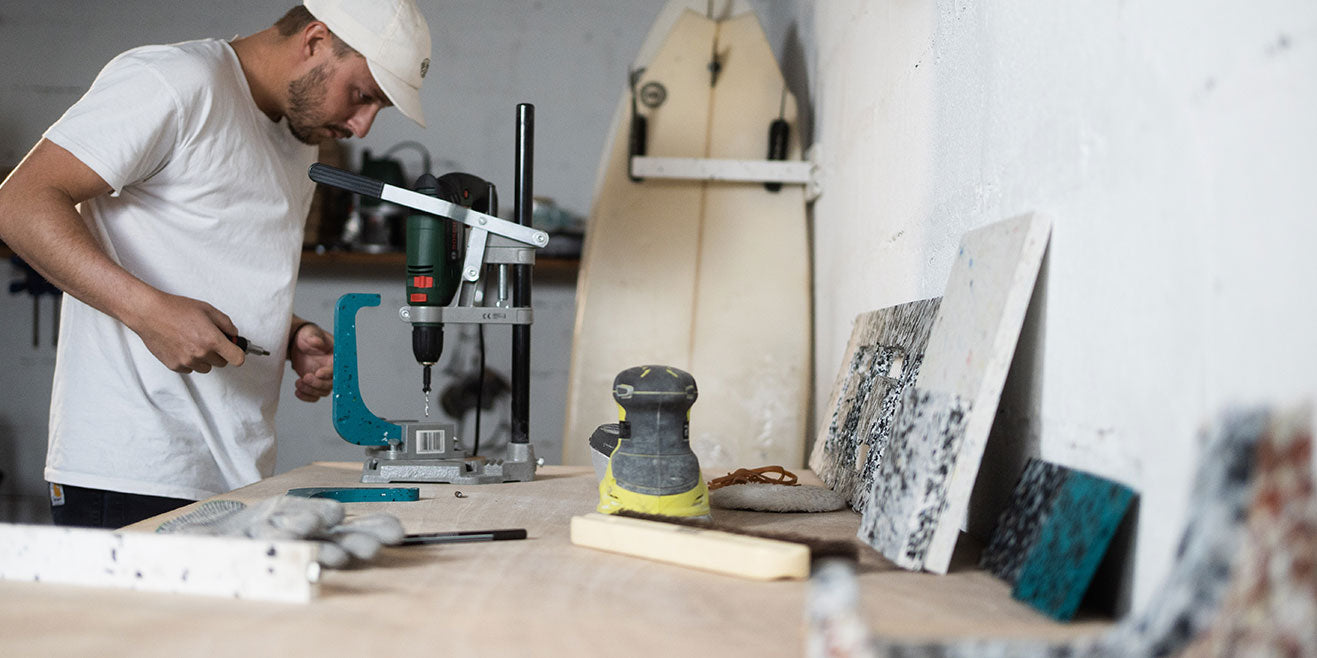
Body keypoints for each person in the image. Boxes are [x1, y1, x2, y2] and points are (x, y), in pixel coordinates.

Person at [0, 0, 432, 528]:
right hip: (134, 470)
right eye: (362, 96)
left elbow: (205, 260)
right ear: (315, 40)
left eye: (377, 110)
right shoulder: (177, 82)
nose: (362, 126)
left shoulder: (299, 139)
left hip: (237, 476)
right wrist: (149, 314)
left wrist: (289, 332)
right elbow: (18, 203)